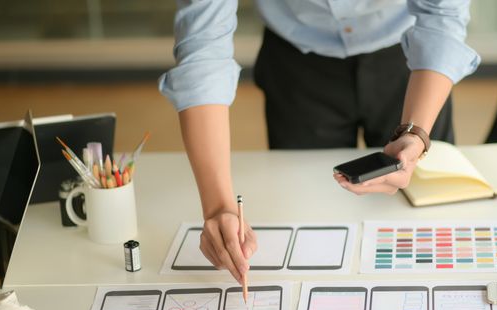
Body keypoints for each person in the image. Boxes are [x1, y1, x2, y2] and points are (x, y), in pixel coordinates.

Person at [159, 0, 480, 283]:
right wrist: (218, 207)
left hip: (410, 58)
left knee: (429, 221)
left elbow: (443, 13)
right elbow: (203, 50)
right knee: (308, 225)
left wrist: (417, 132)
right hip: (297, 61)